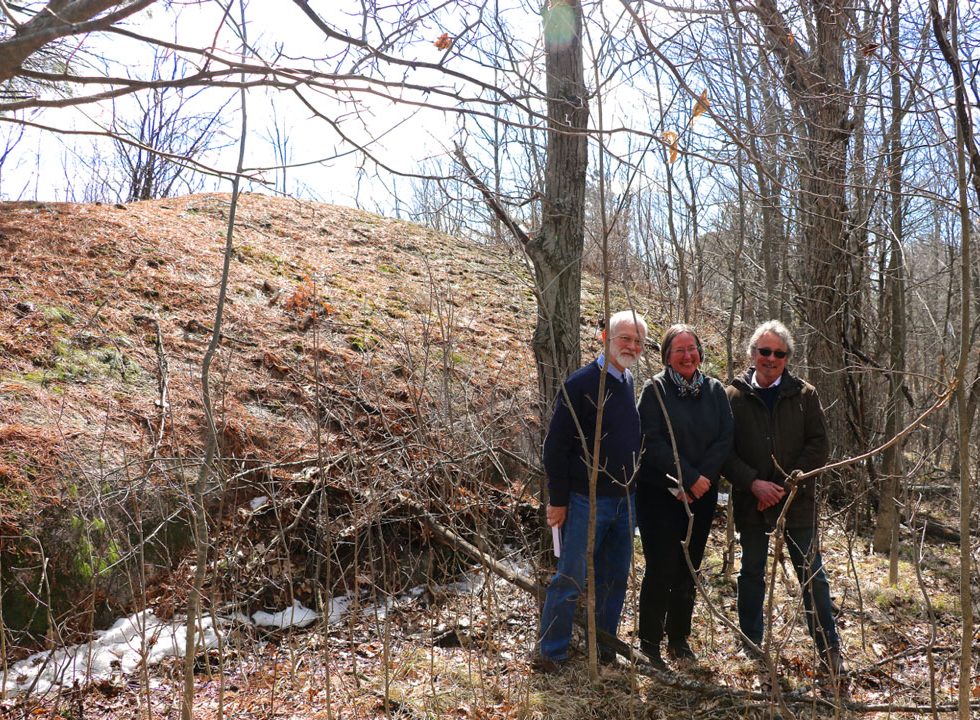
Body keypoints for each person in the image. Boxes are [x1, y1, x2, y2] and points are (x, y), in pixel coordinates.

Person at [723, 320, 845, 676]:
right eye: (764, 351)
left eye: (779, 353)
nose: (771, 358)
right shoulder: (733, 396)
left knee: (813, 576)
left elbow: (819, 446)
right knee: (751, 573)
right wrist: (754, 484)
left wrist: (783, 486)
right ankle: (750, 645)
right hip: (751, 502)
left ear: (788, 357)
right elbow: (724, 452)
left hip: (797, 503)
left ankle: (829, 649)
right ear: (752, 353)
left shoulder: (805, 395)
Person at [534, 310, 647, 673]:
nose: (631, 346)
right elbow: (556, 447)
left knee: (614, 578)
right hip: (587, 500)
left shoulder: (628, 381)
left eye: (637, 341)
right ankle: (551, 653)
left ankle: (604, 648)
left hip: (624, 500)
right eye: (624, 338)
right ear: (605, 339)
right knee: (570, 578)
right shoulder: (582, 383)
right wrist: (559, 500)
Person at [635, 324, 733, 669]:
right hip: (659, 493)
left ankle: (678, 639)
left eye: (692, 349)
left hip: (702, 495)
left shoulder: (715, 391)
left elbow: (724, 438)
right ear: (667, 357)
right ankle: (649, 644)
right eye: (679, 350)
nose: (688, 355)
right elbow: (651, 441)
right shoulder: (654, 390)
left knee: (688, 568)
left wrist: (702, 480)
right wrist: (687, 478)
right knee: (661, 566)